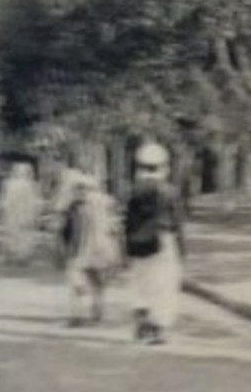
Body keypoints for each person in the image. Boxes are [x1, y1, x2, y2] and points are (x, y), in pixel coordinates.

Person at [123, 142, 185, 345]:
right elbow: (177, 222)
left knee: (141, 284)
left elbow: (128, 221)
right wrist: (183, 249)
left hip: (137, 245)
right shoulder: (169, 191)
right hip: (163, 240)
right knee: (164, 284)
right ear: (163, 166)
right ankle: (159, 328)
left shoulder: (133, 191)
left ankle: (142, 321)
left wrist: (126, 248)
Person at [60, 174, 119, 326]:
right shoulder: (107, 203)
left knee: (77, 282)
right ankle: (96, 310)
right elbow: (114, 228)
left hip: (81, 249)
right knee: (97, 282)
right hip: (101, 248)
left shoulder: (75, 206)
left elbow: (67, 231)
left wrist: (64, 249)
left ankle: (77, 314)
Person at [0, 161, 41, 265]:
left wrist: (2, 211)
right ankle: (22, 256)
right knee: (24, 235)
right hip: (25, 213)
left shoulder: (9, 184)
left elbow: (4, 200)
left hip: (12, 214)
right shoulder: (31, 185)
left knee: (11, 234)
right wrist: (35, 215)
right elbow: (35, 202)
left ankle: (10, 255)